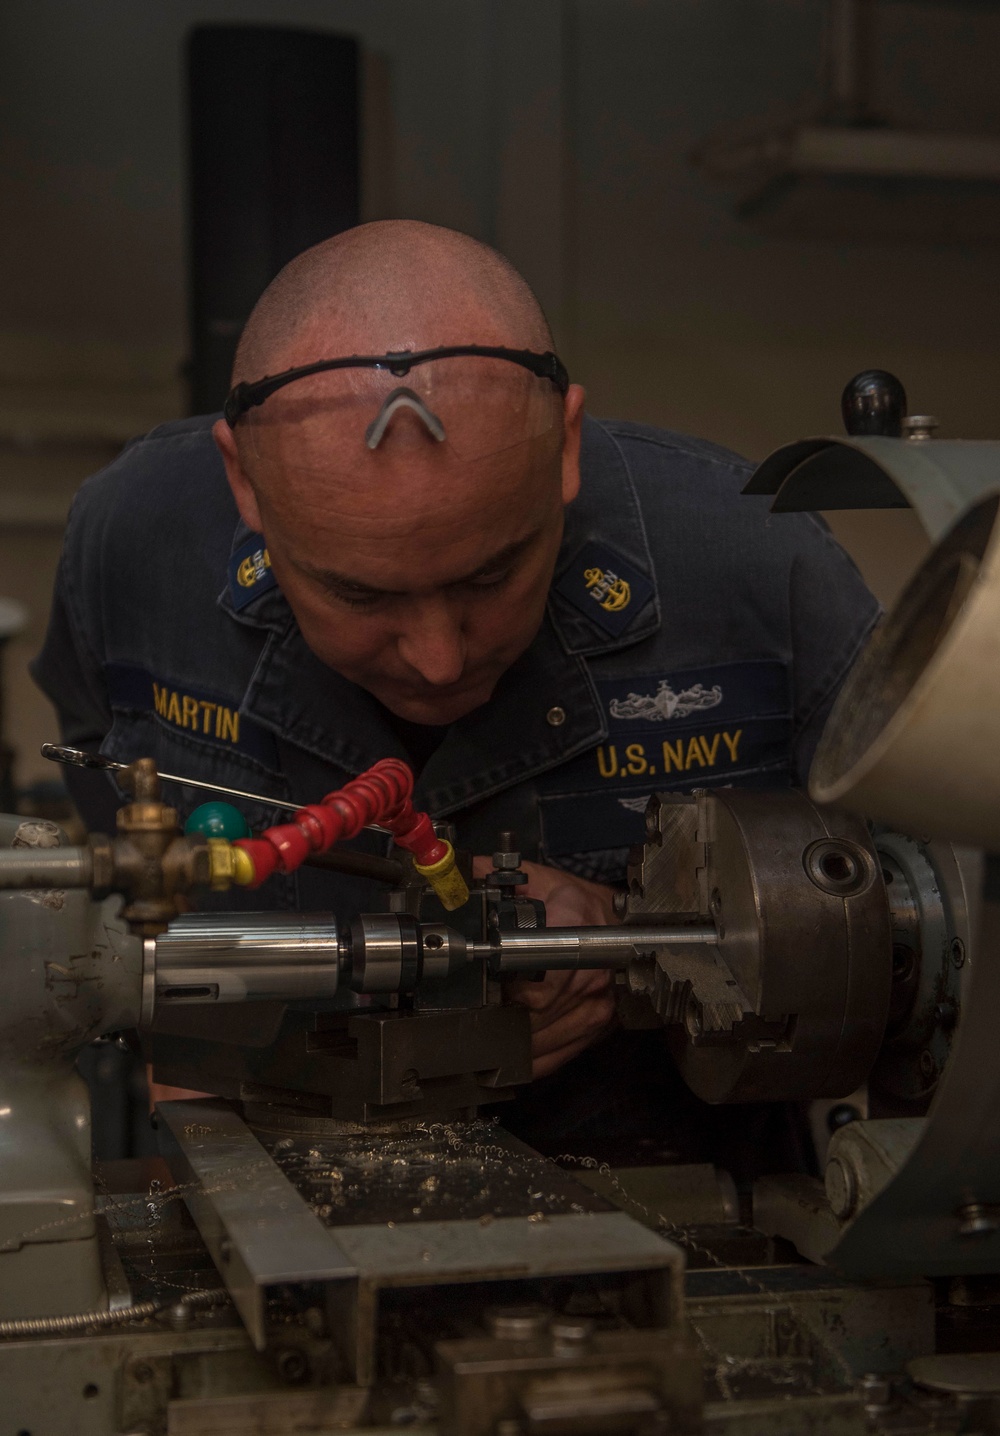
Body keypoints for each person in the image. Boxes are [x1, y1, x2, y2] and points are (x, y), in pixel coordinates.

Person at [33, 220, 878, 1163]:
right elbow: (101, 774)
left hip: (684, 1197)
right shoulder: (135, 544)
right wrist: (192, 1016)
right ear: (246, 483)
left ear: (563, 444)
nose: (438, 660)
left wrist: (645, 942)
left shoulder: (758, 572)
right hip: (258, 1172)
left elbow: (914, 917)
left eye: (490, 577)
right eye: (359, 592)